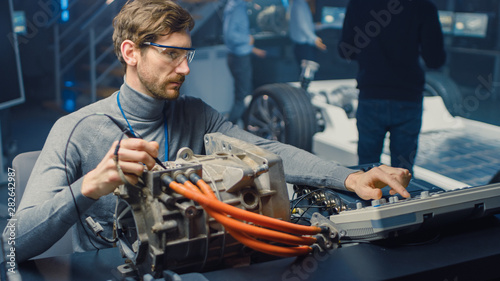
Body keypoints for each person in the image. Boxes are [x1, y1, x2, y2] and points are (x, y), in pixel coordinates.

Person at [6, 0, 411, 262]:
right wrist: (88, 187)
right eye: (170, 55)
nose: (185, 69)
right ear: (130, 53)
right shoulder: (74, 129)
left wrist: (350, 176)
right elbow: (14, 244)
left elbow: (266, 148)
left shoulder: (196, 114)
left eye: (188, 55)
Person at [338, 0, 446, 174]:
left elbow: (345, 50)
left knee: (367, 171)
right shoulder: (423, 6)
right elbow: (435, 59)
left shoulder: (358, 4)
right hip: (407, 97)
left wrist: (371, 54)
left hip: (371, 93)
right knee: (402, 173)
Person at [223, 0, 266, 124]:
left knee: (243, 96)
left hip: (237, 57)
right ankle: (227, 130)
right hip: (239, 59)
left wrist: (253, 49)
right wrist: (247, 39)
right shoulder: (237, 7)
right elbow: (231, 36)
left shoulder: (236, 5)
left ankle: (244, 127)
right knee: (243, 98)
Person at [288, 0, 327, 68]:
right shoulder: (299, 5)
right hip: (303, 45)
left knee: (307, 70)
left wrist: (317, 26)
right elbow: (303, 26)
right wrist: (314, 39)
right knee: (307, 71)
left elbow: (306, 24)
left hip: (303, 44)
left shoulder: (301, 4)